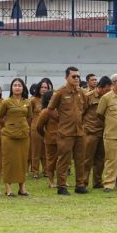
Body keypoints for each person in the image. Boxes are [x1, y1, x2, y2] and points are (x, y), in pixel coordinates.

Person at [47, 67, 88, 195]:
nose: (76, 79)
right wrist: (60, 120)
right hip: (66, 132)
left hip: (79, 131)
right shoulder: (60, 92)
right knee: (64, 160)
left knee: (80, 159)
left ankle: (80, 185)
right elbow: (50, 109)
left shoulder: (81, 92)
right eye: (73, 76)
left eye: (78, 76)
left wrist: (79, 120)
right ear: (66, 78)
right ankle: (62, 186)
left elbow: (85, 108)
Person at [0, 78, 32, 197]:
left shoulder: (27, 102)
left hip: (23, 135)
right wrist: (6, 126)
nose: (17, 87)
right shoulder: (6, 102)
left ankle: (22, 188)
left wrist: (24, 126)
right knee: (9, 161)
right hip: (9, 135)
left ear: (23, 88)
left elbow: (29, 117)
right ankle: (8, 188)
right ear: (12, 88)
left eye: (19, 85)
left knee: (22, 160)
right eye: (15, 85)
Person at [83, 76, 111, 190]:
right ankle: (83, 182)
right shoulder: (88, 97)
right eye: (106, 90)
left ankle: (97, 182)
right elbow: (81, 113)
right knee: (87, 158)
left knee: (100, 158)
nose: (108, 92)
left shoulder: (108, 98)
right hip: (90, 132)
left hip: (103, 131)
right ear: (100, 87)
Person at [29, 79, 52, 179]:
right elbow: (29, 116)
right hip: (35, 127)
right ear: (38, 88)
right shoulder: (33, 100)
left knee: (46, 149)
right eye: (42, 87)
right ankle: (35, 171)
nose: (44, 89)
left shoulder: (51, 100)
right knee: (36, 149)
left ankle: (46, 170)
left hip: (47, 127)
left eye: (46, 87)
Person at [35, 90, 57, 188]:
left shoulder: (62, 110)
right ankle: (51, 181)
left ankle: (62, 181)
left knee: (63, 161)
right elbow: (39, 127)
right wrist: (46, 135)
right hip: (51, 139)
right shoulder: (45, 112)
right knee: (51, 161)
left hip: (63, 139)